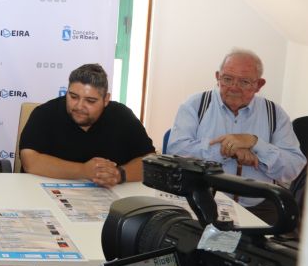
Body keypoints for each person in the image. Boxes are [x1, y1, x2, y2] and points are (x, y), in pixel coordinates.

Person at [168, 49, 305, 222]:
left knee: (266, 248)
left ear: (259, 85)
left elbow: (293, 167)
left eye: (244, 82)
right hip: (202, 201)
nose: (233, 87)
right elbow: (176, 151)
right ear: (217, 77)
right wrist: (228, 150)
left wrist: (256, 143)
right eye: (227, 79)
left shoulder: (275, 114)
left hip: (260, 206)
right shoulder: (195, 105)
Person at [19, 63, 155, 186]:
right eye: (73, 97)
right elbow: (30, 161)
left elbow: (150, 161)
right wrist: (84, 170)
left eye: (90, 101)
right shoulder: (45, 113)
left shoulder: (122, 116)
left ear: (106, 99)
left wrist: (119, 174)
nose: (79, 106)